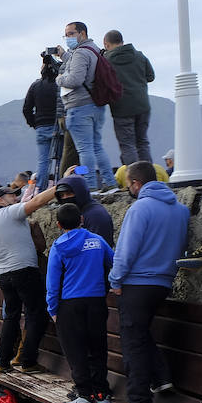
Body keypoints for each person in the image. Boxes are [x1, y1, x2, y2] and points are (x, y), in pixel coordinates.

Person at [109, 161, 190, 403]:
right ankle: (161, 376)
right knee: (141, 333)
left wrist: (116, 280)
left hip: (136, 283)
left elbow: (126, 250)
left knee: (132, 341)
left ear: (136, 183)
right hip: (162, 282)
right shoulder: (181, 210)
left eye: (128, 184)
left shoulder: (140, 208)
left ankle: (139, 402)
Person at [46, 203, 115, 403]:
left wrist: (53, 310)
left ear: (58, 224)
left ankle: (84, 396)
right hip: (96, 302)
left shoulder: (58, 247)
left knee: (75, 351)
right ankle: (102, 395)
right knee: (97, 348)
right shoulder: (98, 241)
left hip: (70, 305)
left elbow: (52, 283)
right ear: (82, 220)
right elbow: (114, 262)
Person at [0, 184, 54, 373]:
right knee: (36, 313)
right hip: (23, 271)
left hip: (4, 275)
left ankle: (3, 360)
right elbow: (37, 201)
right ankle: (27, 361)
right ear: (0, 200)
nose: (15, 198)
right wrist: (63, 184)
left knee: (11, 316)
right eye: (11, 195)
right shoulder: (9, 213)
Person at [56, 22, 118, 192]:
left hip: (79, 106)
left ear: (82, 33)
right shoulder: (94, 49)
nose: (68, 37)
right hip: (95, 105)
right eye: (66, 35)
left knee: (85, 150)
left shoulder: (80, 53)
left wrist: (59, 78)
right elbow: (81, 65)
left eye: (70, 33)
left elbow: (74, 80)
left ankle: (90, 186)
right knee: (97, 146)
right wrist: (64, 56)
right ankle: (110, 182)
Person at [102, 30, 155, 166]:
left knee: (127, 145)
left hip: (122, 108)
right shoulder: (139, 56)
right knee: (142, 142)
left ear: (106, 44)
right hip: (142, 105)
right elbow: (151, 77)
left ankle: (135, 179)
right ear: (122, 42)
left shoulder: (106, 61)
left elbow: (103, 83)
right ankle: (148, 177)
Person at [23, 58, 62, 190]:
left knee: (43, 162)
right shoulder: (60, 85)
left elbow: (26, 109)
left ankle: (41, 190)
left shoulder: (35, 86)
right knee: (60, 160)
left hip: (41, 128)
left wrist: (35, 123)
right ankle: (61, 187)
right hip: (58, 127)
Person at [52, 173, 115, 247]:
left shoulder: (96, 215)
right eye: (62, 195)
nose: (65, 198)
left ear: (80, 192)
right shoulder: (72, 213)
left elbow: (99, 249)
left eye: (69, 193)